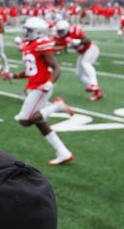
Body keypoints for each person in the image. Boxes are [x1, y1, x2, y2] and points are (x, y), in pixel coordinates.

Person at [7, 18, 75, 166]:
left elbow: (57, 68)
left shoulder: (41, 45)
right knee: (40, 122)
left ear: (39, 31)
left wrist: (50, 83)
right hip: (35, 86)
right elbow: (30, 71)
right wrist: (13, 75)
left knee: (24, 120)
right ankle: (63, 152)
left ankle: (56, 106)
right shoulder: (29, 45)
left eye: (29, 30)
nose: (26, 32)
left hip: (41, 88)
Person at [53, 20, 103, 101]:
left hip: (91, 49)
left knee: (85, 63)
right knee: (79, 75)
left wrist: (79, 41)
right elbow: (60, 47)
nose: (59, 32)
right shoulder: (59, 37)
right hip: (82, 53)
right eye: (58, 31)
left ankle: (94, 84)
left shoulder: (75, 30)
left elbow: (87, 40)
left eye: (61, 31)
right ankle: (97, 92)